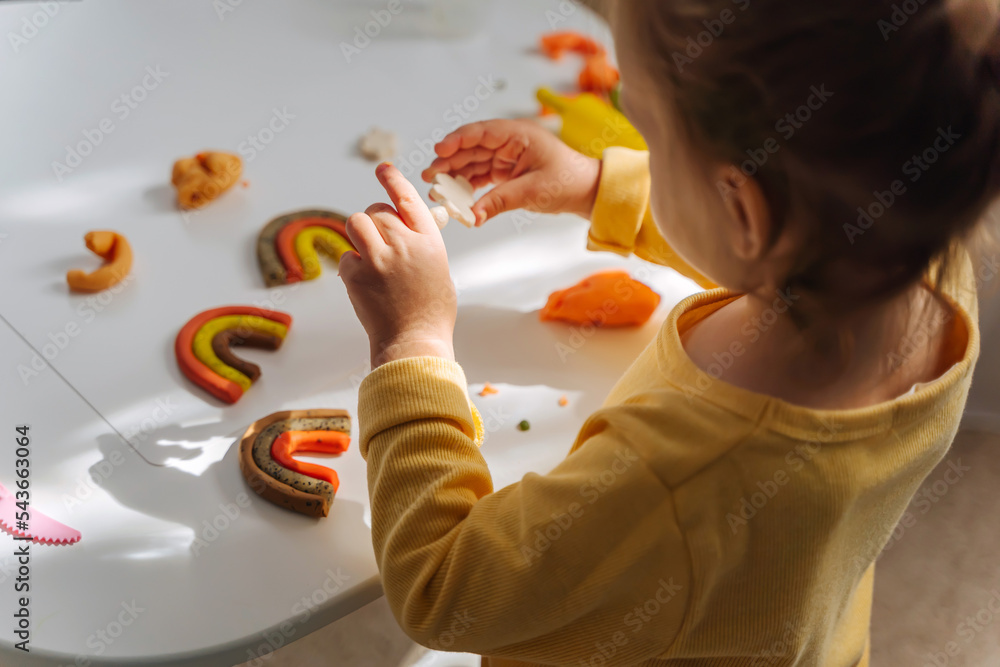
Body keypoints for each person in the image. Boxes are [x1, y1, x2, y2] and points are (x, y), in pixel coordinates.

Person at [337, 1, 1000, 664]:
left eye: (649, 132)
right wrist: (598, 186)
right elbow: (786, 253)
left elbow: (444, 591)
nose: (639, 147)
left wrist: (412, 343)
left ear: (743, 208)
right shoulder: (926, 268)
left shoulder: (678, 476)